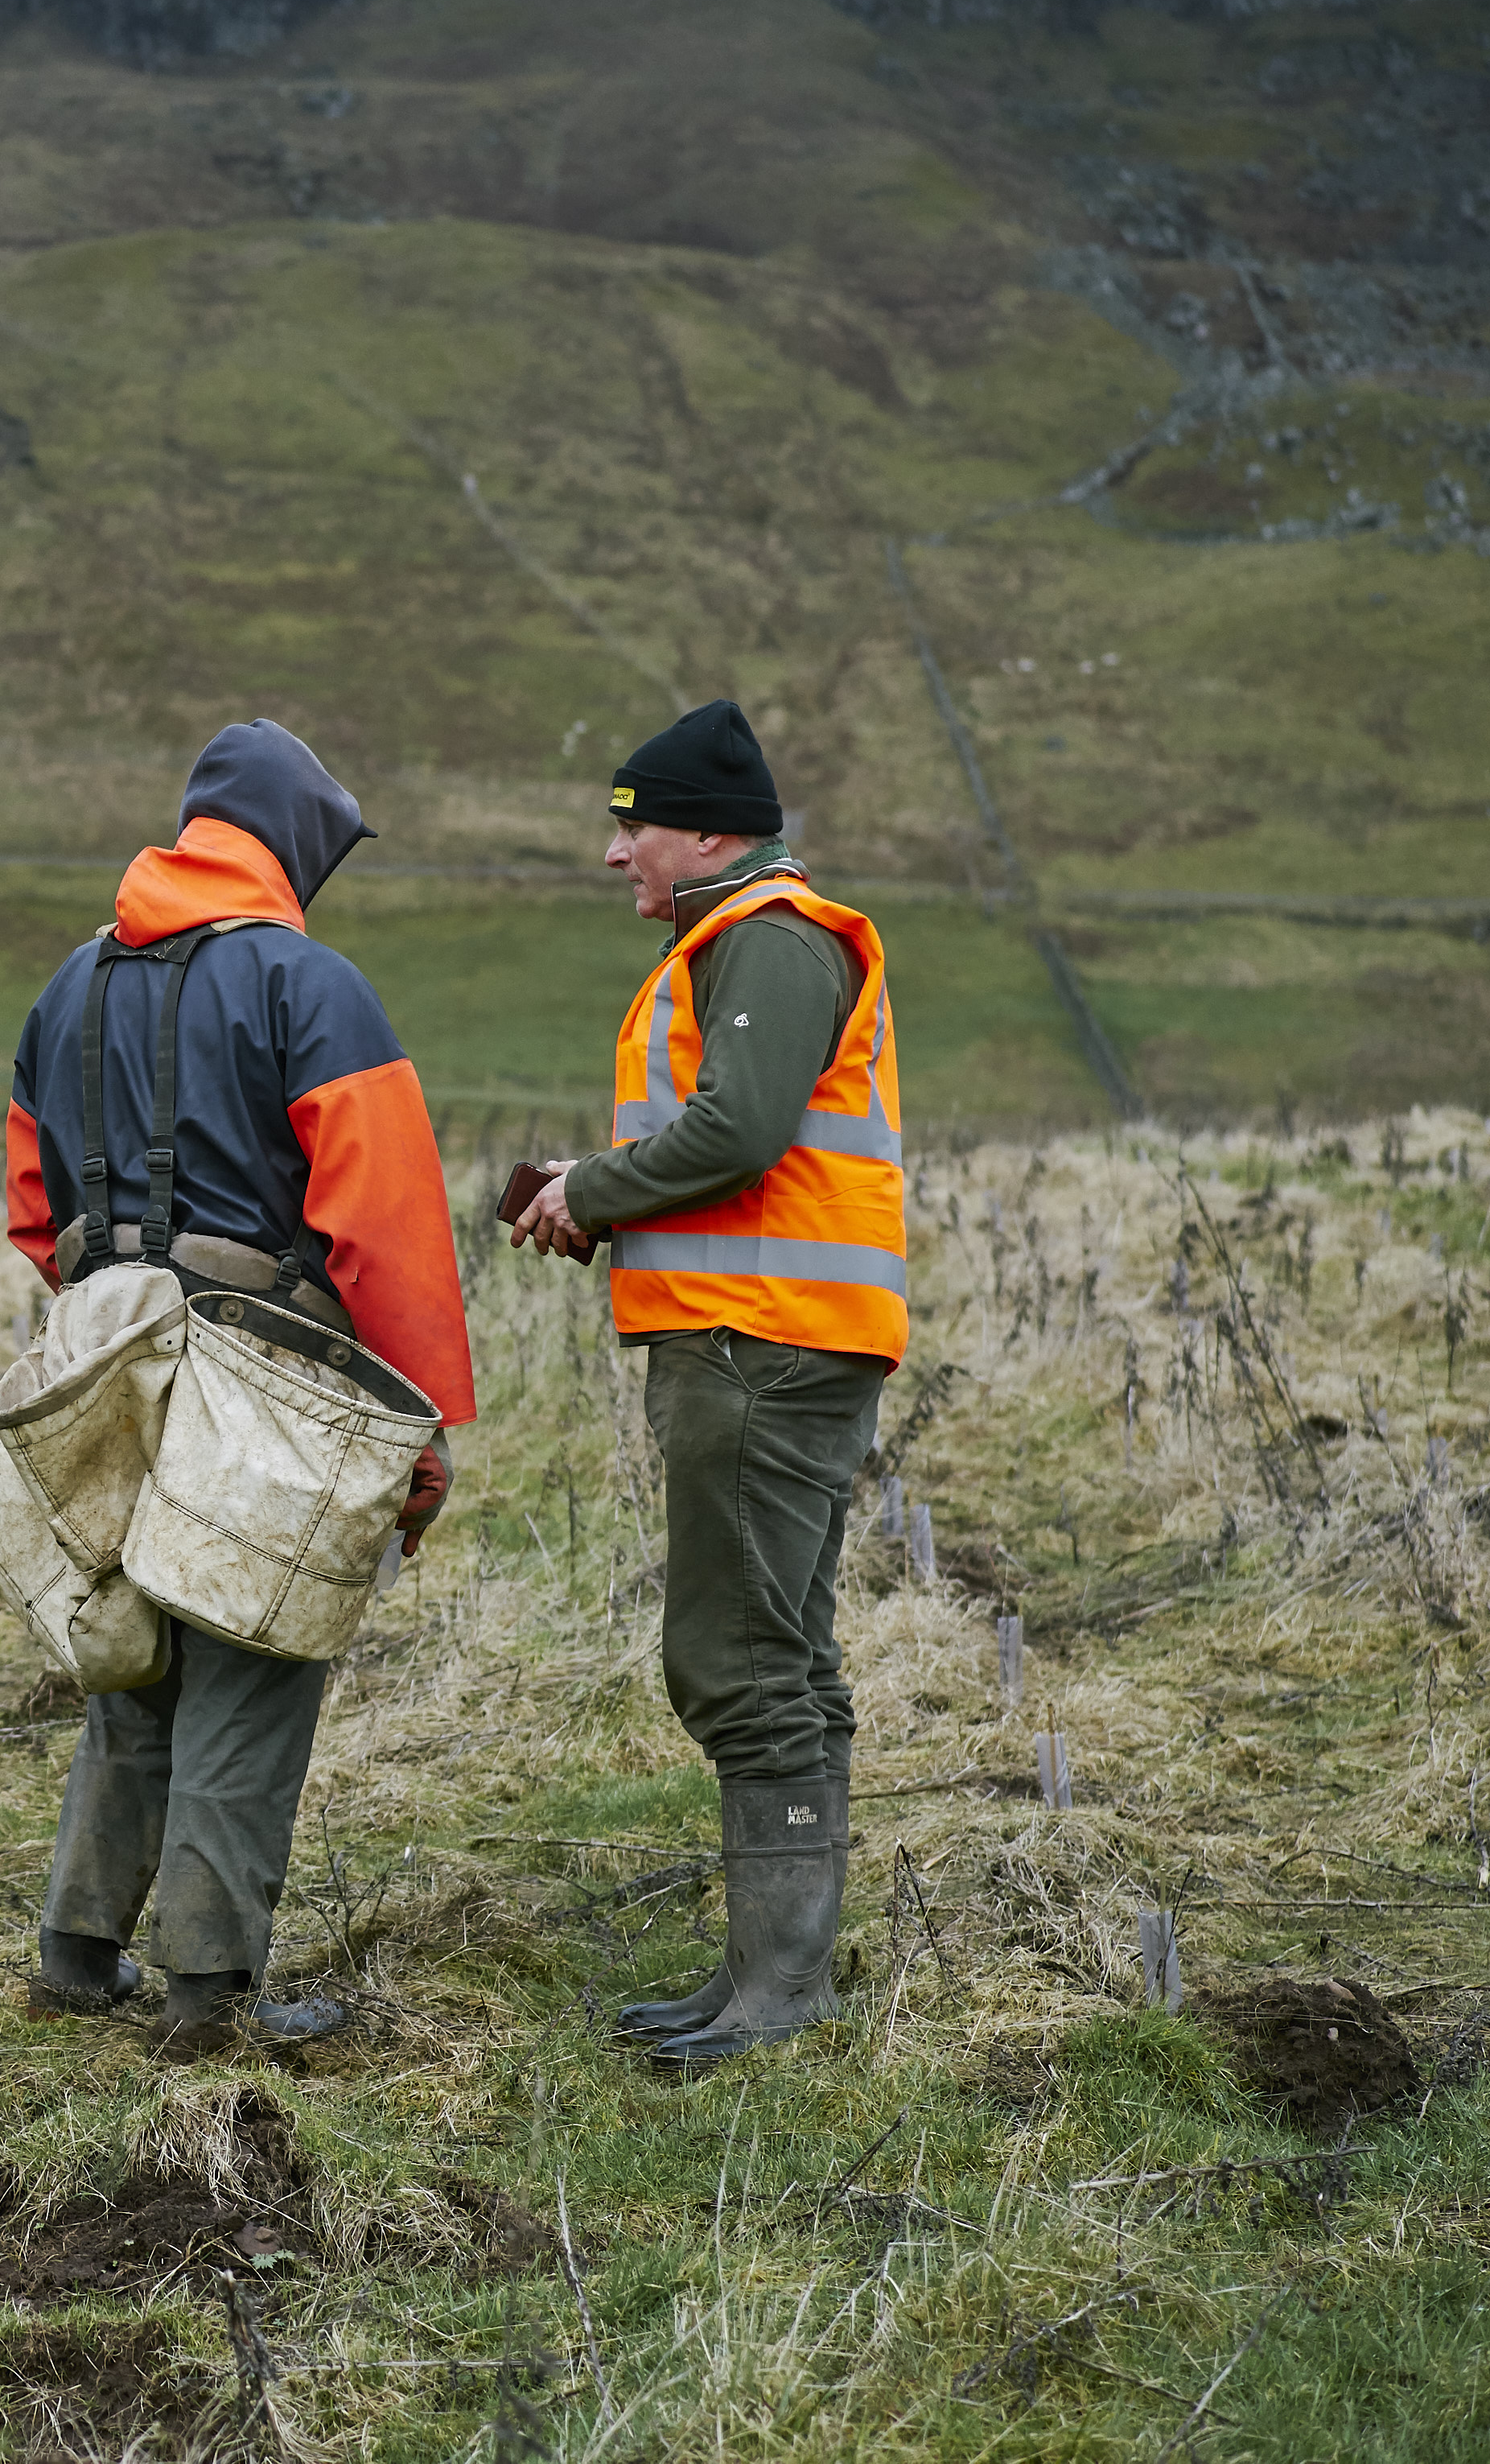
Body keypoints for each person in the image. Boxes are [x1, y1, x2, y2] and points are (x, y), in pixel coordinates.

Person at [5, 720, 476, 2059]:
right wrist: (418, 1431)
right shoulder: (310, 987)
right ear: (293, 845)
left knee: (136, 1654)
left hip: (102, 1350)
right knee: (253, 1649)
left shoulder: (66, 987)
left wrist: (120, 1308)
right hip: (270, 1361)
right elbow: (383, 1227)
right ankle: (207, 2002)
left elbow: (32, 1211)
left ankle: (74, 1955)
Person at [512, 698, 905, 2067]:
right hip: (766, 1330)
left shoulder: (770, 942)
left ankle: (778, 1996)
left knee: (735, 1660)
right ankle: (764, 1978)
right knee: (780, 1653)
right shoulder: (745, 943)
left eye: (637, 826)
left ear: (711, 833)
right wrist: (603, 1195)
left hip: (759, 1341)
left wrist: (590, 1190)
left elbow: (738, 1132)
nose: (616, 853)